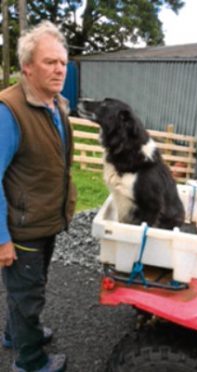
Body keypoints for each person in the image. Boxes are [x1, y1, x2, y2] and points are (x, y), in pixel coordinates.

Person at [0, 21, 76, 372]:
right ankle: (30, 362)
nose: (60, 68)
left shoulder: (56, 104)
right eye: (50, 62)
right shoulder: (8, 111)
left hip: (46, 220)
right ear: (27, 66)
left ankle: (16, 335)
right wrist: (2, 240)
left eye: (63, 62)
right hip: (22, 229)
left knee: (30, 289)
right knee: (28, 297)